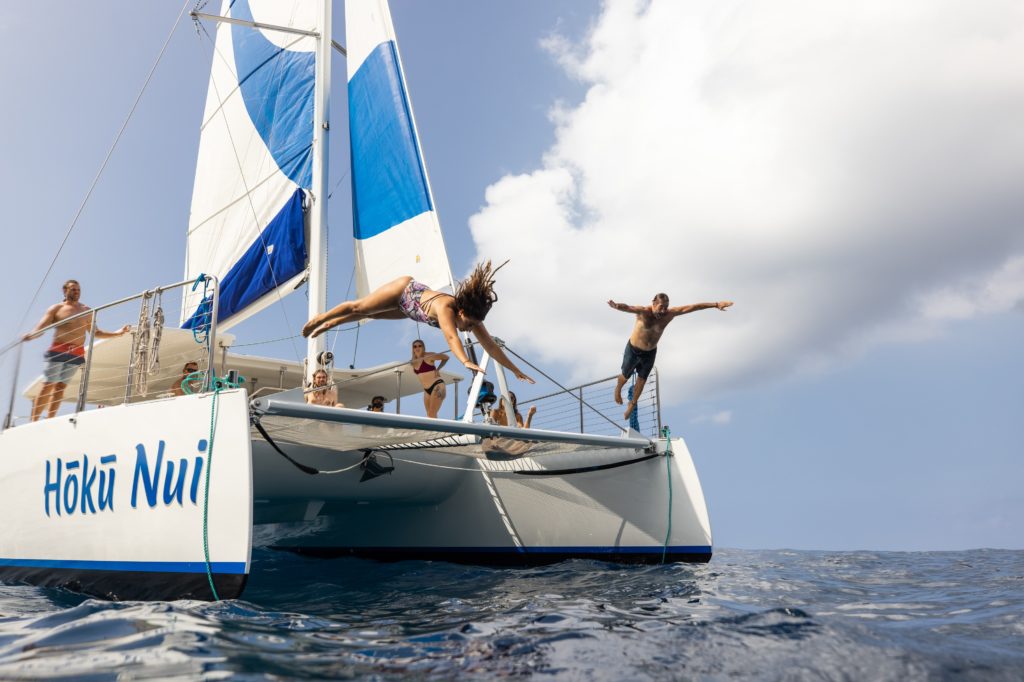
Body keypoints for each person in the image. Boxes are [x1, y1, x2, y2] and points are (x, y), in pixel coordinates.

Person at [302, 261, 535, 384]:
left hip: (410, 311)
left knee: (370, 316)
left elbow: (491, 347)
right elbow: (451, 337)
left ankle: (332, 324)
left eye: (474, 326)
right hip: (404, 291)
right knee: (360, 307)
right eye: (470, 324)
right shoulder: (446, 308)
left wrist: (516, 370)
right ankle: (322, 317)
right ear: (461, 311)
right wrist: (464, 361)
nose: (471, 329)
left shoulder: (473, 318)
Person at [608, 293, 733, 419]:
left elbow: (694, 307)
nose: (663, 310)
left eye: (666, 307)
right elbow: (628, 307)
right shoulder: (644, 312)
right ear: (653, 303)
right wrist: (617, 306)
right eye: (661, 307)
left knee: (642, 380)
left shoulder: (669, 314)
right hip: (633, 350)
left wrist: (716, 305)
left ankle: (632, 404)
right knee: (625, 376)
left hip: (650, 353)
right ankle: (618, 389)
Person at [24, 279, 130, 421]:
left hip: (76, 353)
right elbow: (41, 327)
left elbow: (95, 332)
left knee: (60, 387)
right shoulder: (56, 309)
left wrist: (117, 333)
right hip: (58, 350)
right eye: (73, 289)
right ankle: (34, 421)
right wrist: (31, 335)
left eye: (78, 290)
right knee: (48, 385)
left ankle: (49, 420)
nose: (76, 292)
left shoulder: (86, 310)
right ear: (65, 290)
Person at [409, 340, 449, 418]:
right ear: (413, 349)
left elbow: (446, 357)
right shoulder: (413, 362)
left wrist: (438, 369)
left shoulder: (429, 356)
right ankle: (436, 430)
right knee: (429, 415)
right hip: (426, 391)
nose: (417, 348)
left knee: (431, 414)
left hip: (437, 386)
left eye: (420, 346)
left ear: (423, 347)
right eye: (415, 346)